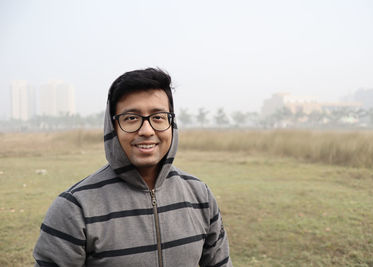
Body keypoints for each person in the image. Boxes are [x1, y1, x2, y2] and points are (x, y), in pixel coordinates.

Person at [33, 68, 232, 266]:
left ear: (172, 123)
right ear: (113, 127)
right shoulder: (75, 207)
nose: (146, 130)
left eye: (158, 117)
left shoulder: (200, 196)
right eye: (131, 118)